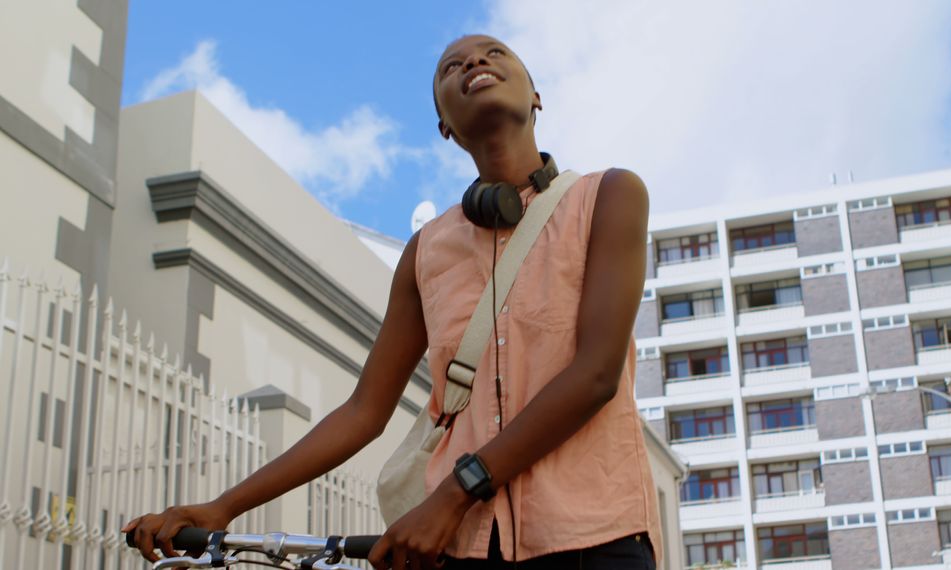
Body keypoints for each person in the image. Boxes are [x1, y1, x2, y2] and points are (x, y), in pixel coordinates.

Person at [123, 34, 660, 570]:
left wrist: (452, 495)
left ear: (536, 96)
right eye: (452, 66)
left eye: (494, 53)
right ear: (445, 127)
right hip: (461, 548)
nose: (474, 61)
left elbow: (596, 374)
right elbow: (363, 412)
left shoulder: (610, 196)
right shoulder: (425, 251)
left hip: (597, 540)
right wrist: (223, 507)